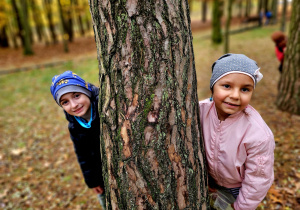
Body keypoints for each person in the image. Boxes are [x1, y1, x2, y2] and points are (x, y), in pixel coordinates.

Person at [199, 54, 275, 210]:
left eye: (245, 89)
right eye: (227, 86)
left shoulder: (257, 134)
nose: (235, 96)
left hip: (239, 190)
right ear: (213, 86)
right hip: (207, 182)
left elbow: (258, 178)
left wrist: (242, 206)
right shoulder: (199, 111)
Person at [50, 71, 106, 208]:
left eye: (76, 95)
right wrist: (92, 181)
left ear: (85, 90)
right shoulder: (75, 126)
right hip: (101, 174)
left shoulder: (104, 106)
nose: (74, 105)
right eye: (65, 102)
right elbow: (83, 155)